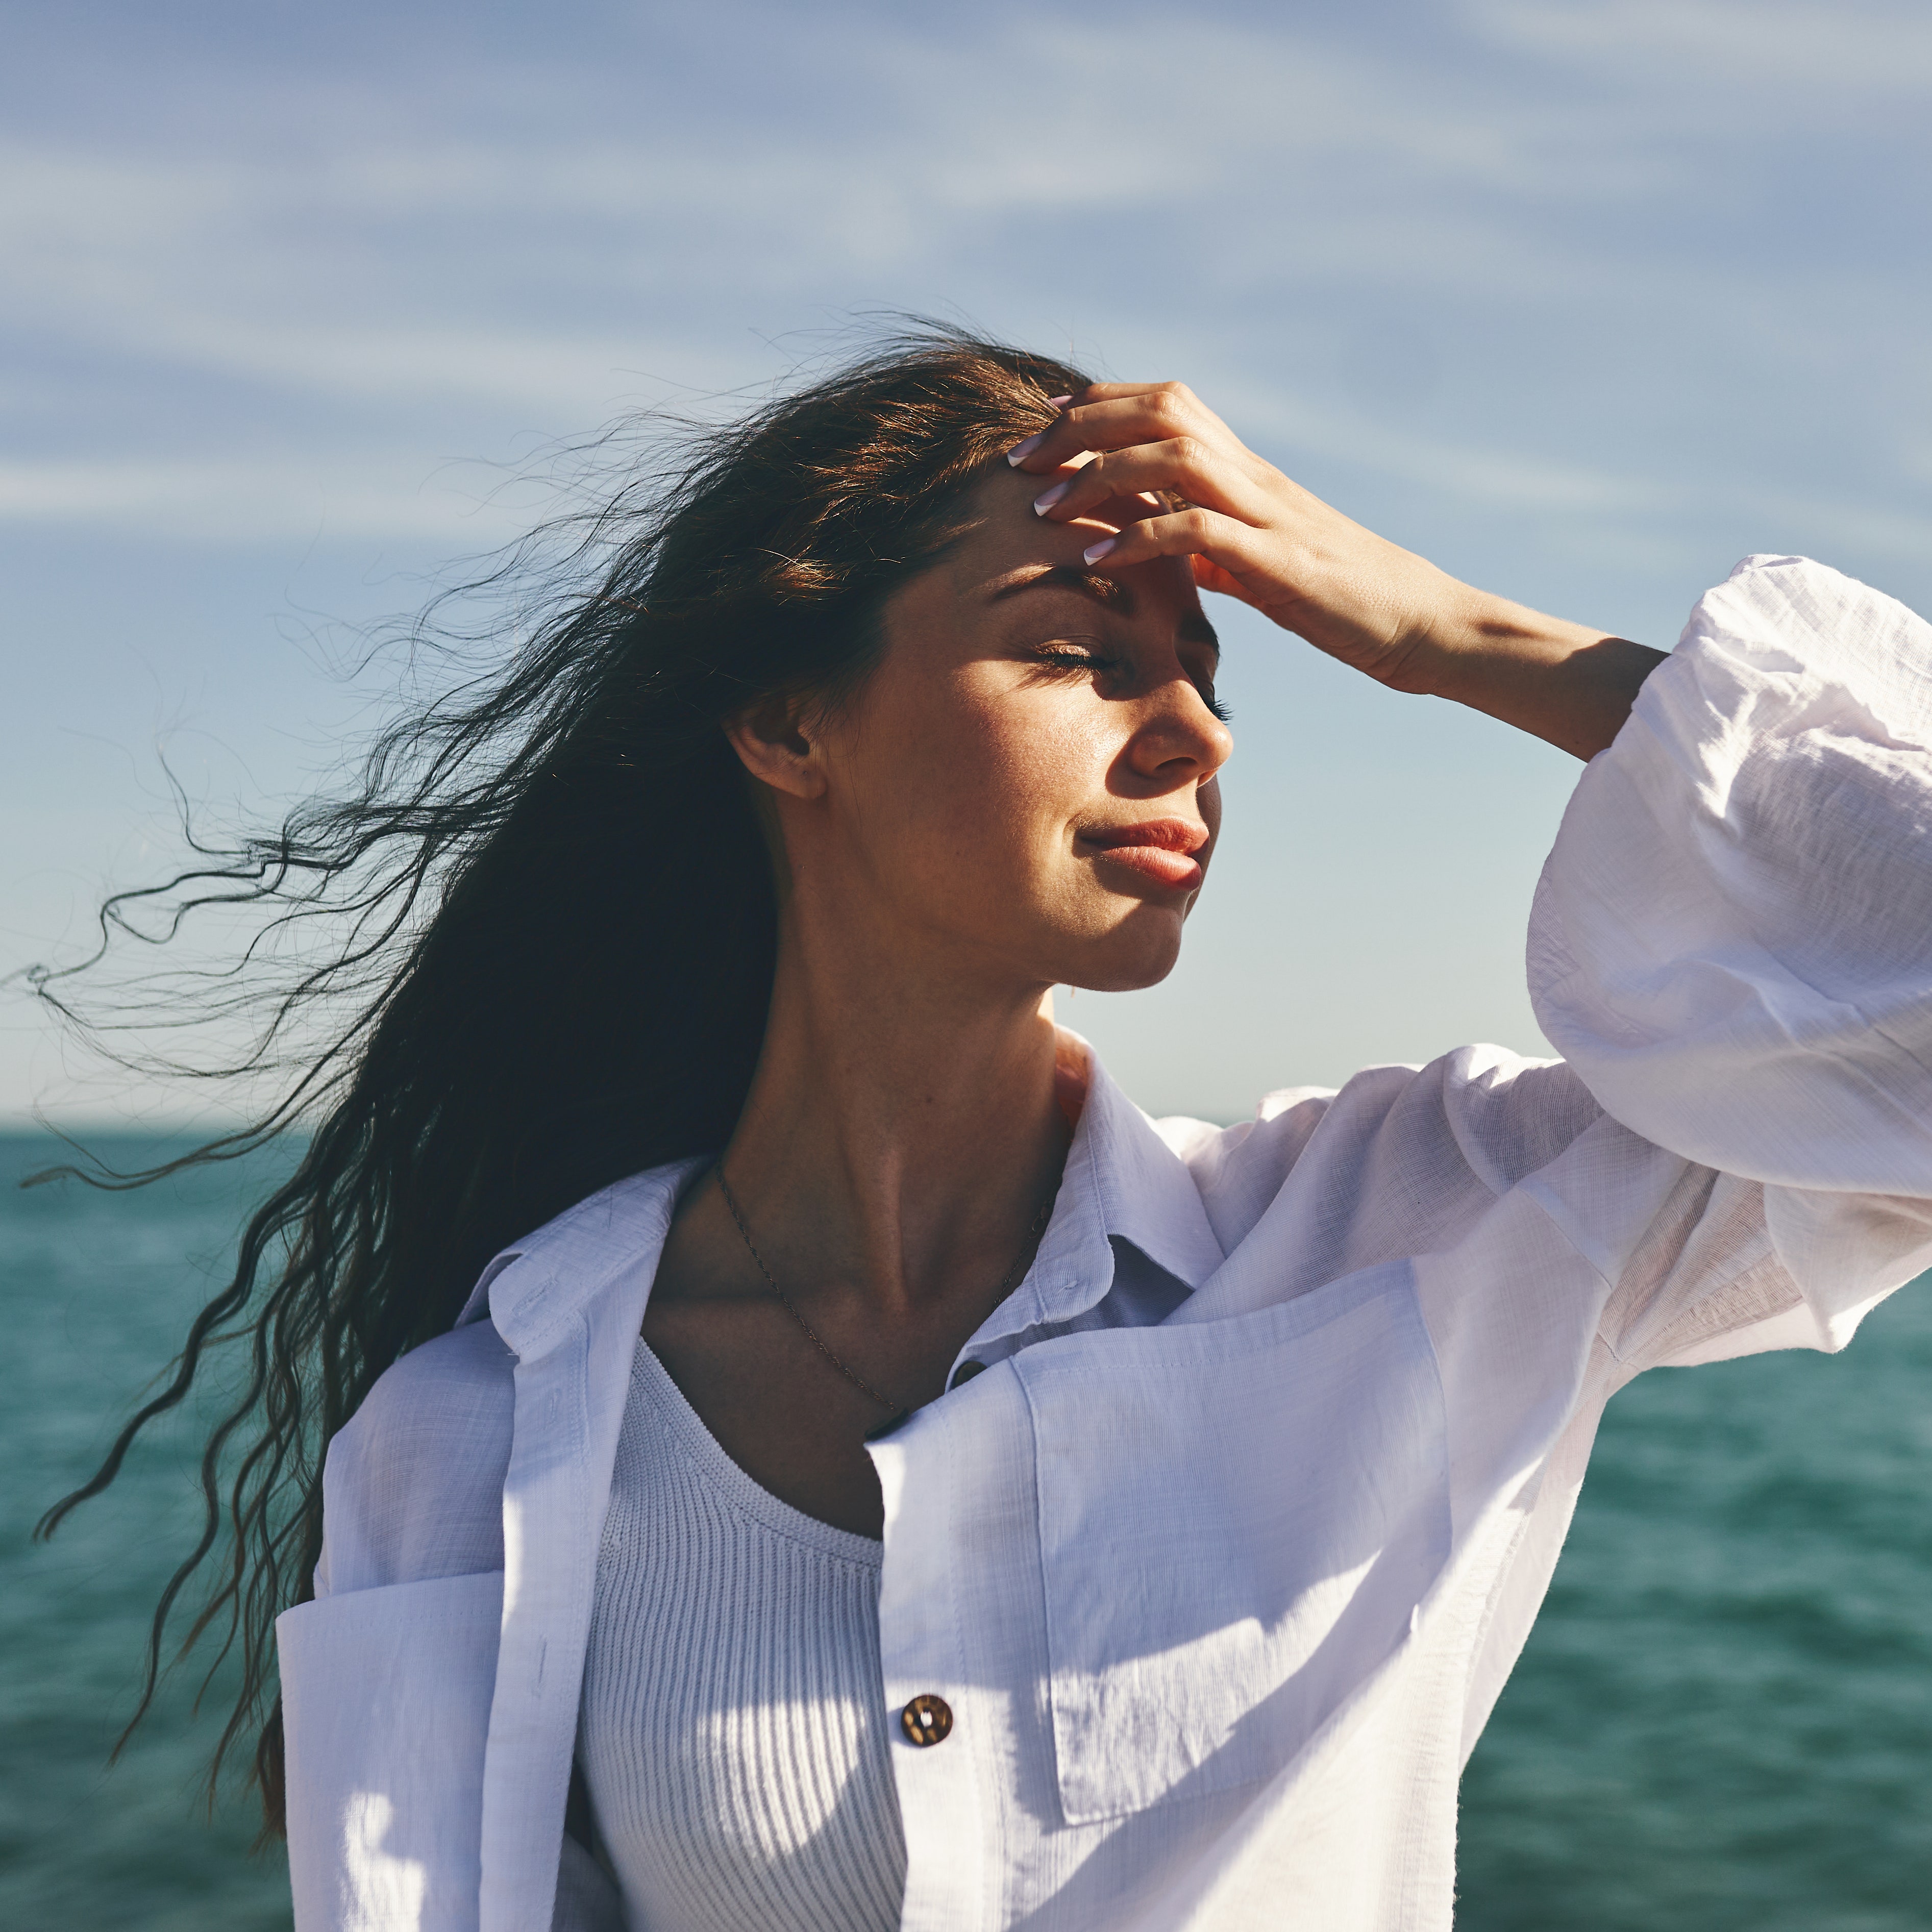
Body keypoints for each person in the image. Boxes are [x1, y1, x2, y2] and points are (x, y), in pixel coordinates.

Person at [48, 331, 1932, 1931]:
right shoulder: (478, 1438)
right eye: (1083, 652)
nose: (1193, 728)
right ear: (792, 724)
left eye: (1209, 664)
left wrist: (1450, 632)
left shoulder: (1428, 1237)